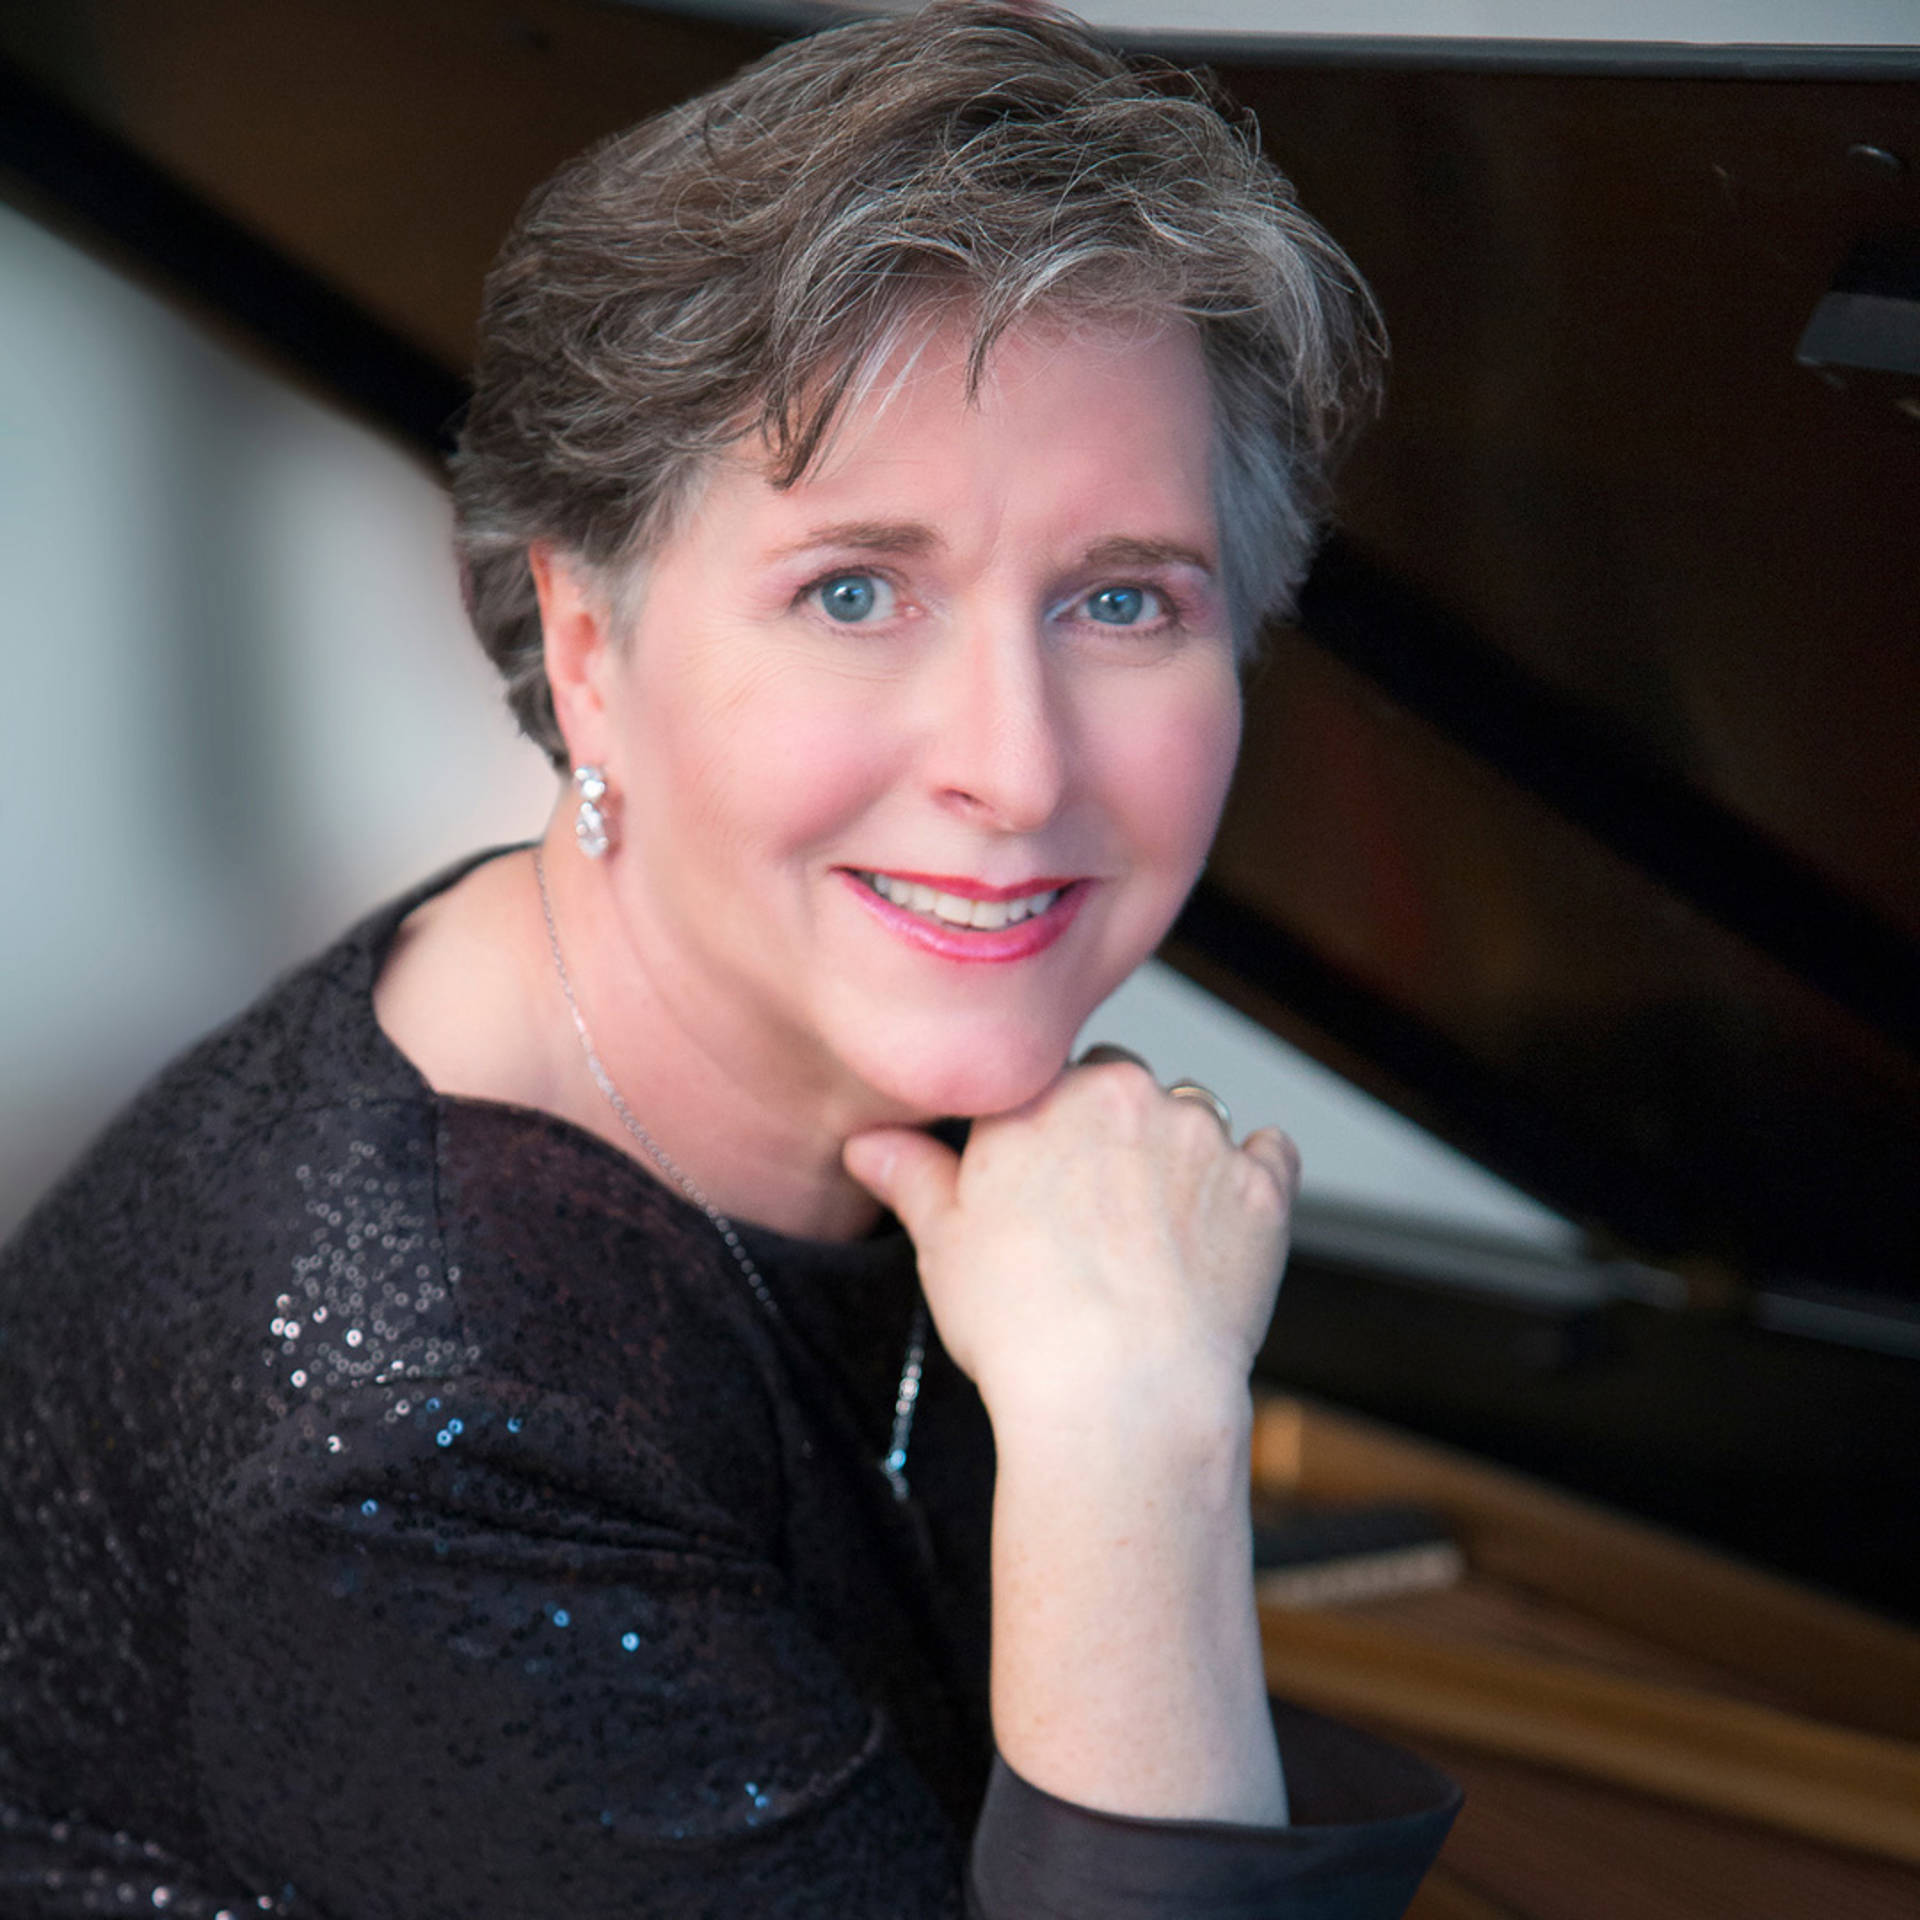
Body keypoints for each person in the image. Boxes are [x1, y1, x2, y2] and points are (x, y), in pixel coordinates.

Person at [0, 3, 1459, 1913]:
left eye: (1122, 599)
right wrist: (1131, 1444)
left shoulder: (767, 1062)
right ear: (587, 647)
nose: (1016, 768)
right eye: (854, 591)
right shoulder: (418, 1439)